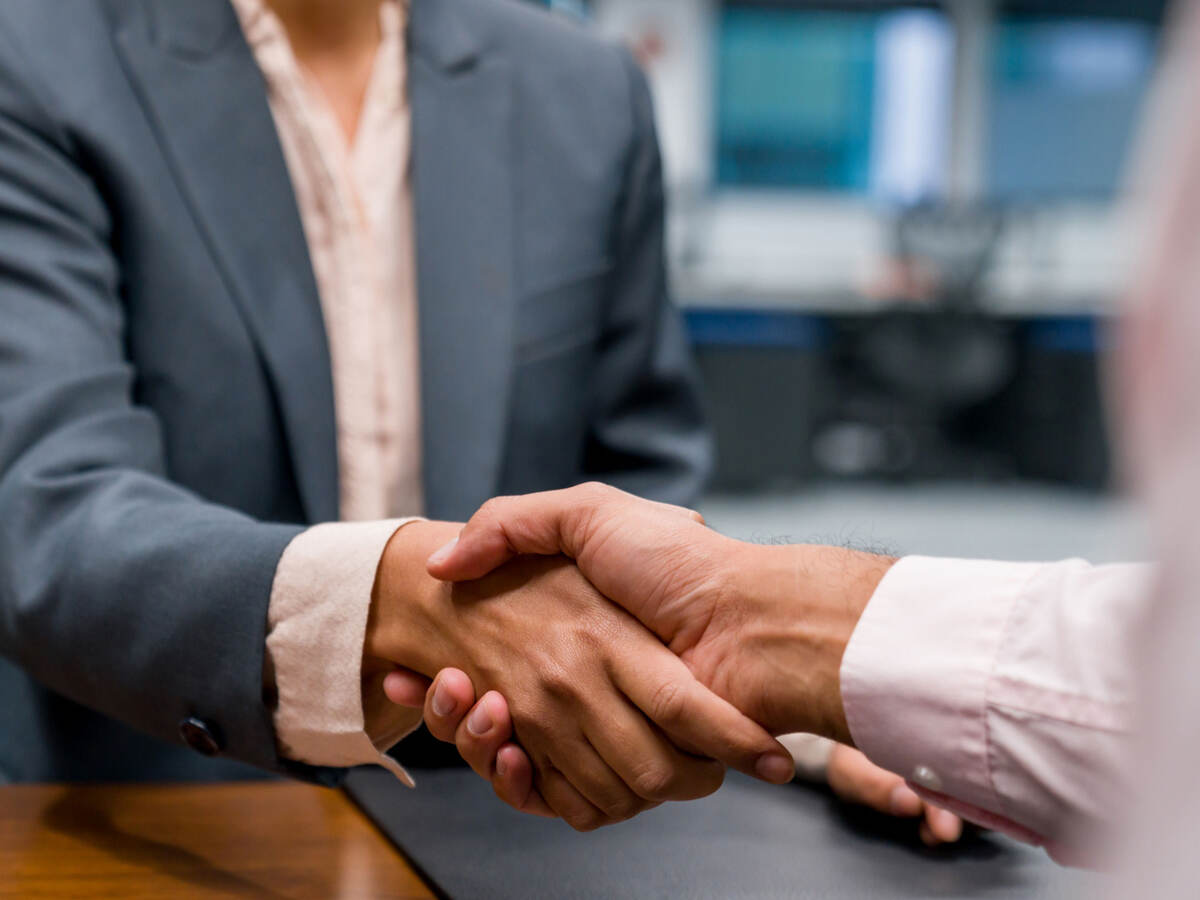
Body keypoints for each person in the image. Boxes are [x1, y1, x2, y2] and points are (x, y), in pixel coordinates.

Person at [0, 0, 931, 834]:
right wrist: (403, 601)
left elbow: (641, 505)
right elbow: (44, 511)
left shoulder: (584, 91)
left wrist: (813, 709)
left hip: (525, 820)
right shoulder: (39, 57)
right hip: (150, 815)